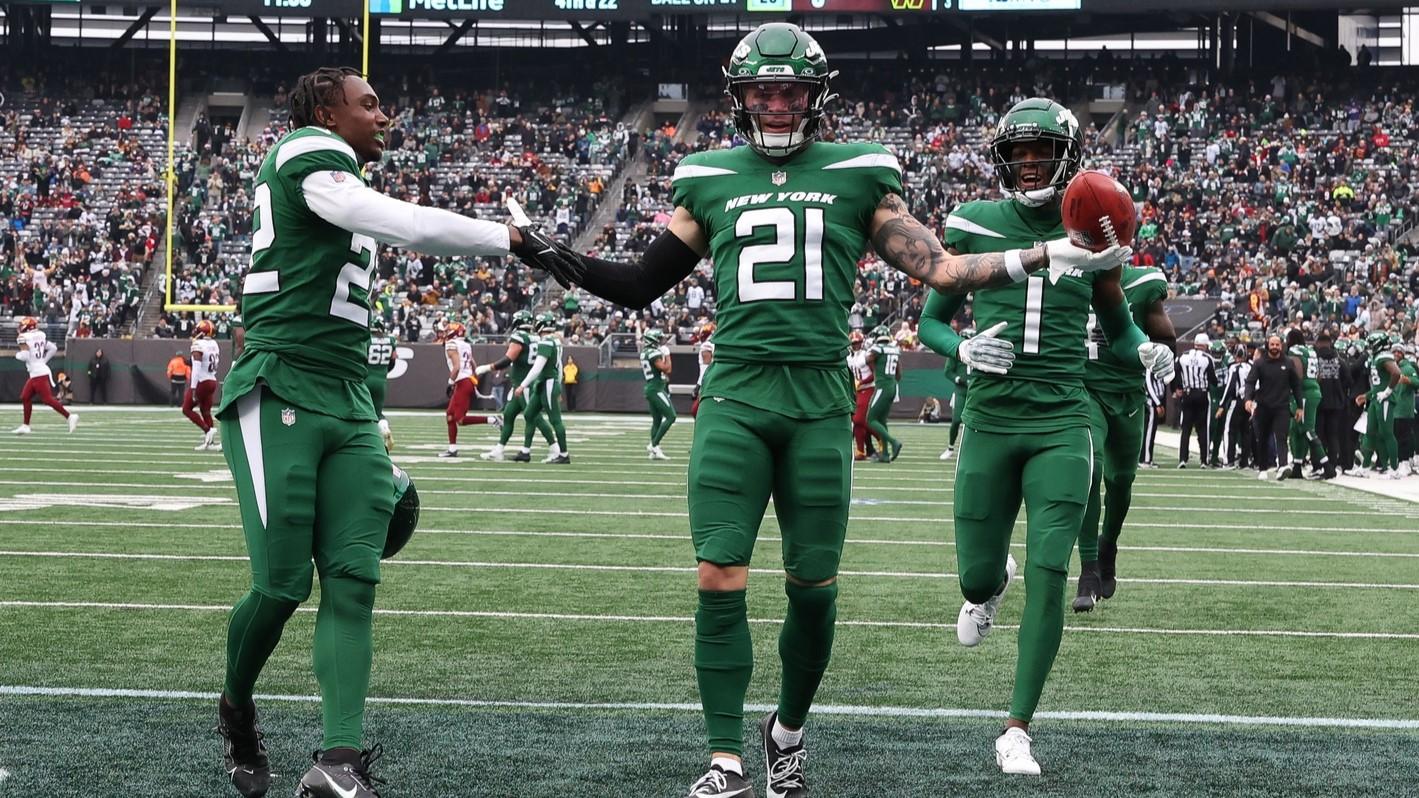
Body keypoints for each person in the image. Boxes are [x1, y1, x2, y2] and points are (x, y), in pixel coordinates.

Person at [510, 26, 1127, 797]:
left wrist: (1038, 255)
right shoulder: (705, 172)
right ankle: (722, 758)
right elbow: (640, 282)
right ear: (739, 98)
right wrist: (541, 251)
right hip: (735, 394)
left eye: (789, 90)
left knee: (813, 587)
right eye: (760, 91)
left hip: (816, 402)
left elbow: (937, 267)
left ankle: (788, 732)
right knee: (717, 572)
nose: (774, 104)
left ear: (814, 96)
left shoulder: (860, 170)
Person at [212, 65, 537, 798]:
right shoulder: (305, 151)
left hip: (348, 397)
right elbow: (406, 222)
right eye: (370, 104)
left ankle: (339, 760)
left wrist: (374, 408)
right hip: (280, 382)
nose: (384, 115)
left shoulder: (340, 180)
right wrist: (506, 239)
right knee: (283, 584)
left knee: (354, 582)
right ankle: (235, 705)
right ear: (326, 112)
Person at [917, 96, 1164, 776]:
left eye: (1041, 153)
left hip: (1061, 416)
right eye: (1017, 153)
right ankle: (989, 581)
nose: (1028, 165)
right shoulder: (971, 220)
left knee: (1051, 573)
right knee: (974, 572)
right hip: (990, 418)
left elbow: (1116, 328)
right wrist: (961, 350)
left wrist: (1144, 351)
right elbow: (929, 323)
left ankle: (1016, 728)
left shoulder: (1096, 229)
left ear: (1068, 158)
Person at [1074, 264, 1174, 611]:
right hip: (1085, 389)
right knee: (1090, 469)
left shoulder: (1144, 284)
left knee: (1121, 482)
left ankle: (1108, 545)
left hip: (1128, 394)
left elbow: (1166, 337)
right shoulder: (1067, 272)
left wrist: (1160, 352)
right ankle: (1087, 570)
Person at [475, 309, 557, 462]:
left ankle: (554, 447)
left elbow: (508, 359)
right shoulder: (535, 337)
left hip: (524, 385)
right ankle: (499, 450)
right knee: (509, 415)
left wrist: (488, 367)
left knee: (535, 418)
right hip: (523, 383)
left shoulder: (519, 337)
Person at [1245, 334, 1304, 480]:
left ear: (1281, 346)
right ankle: (1263, 468)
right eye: (1272, 344)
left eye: (1277, 345)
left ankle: (1282, 466)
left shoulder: (1288, 363)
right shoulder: (1259, 363)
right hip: (1263, 406)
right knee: (1263, 438)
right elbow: (1250, 382)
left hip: (1282, 406)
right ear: (1267, 345)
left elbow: (1296, 385)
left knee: (1281, 436)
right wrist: (1248, 399)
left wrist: (1300, 406)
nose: (1275, 347)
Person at [439, 321, 501, 458]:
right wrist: (473, 379)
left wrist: (450, 383)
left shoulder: (452, 344)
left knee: (459, 419)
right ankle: (452, 448)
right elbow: (473, 363)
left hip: (461, 382)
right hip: (466, 381)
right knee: (450, 415)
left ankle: (492, 419)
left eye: (448, 330)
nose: (445, 333)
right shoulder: (466, 344)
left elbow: (456, 367)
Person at [515, 312, 570, 464]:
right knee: (529, 414)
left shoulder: (547, 341)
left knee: (555, 420)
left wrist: (522, 385)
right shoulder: (556, 340)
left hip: (548, 383)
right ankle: (525, 452)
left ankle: (563, 454)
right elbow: (559, 366)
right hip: (545, 383)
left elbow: (537, 368)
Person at [12, 317, 77, 434]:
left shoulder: (23, 337)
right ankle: (26, 425)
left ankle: (69, 416)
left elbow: (25, 356)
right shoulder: (40, 335)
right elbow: (53, 348)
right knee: (25, 397)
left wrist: (17, 355)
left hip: (38, 374)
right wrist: (43, 361)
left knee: (47, 399)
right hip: (39, 371)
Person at [1355, 333, 1403, 478]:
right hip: (1377, 399)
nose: (1370, 347)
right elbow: (1378, 384)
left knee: (1387, 433)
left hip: (1385, 400)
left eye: (1372, 343)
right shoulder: (1376, 357)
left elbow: (1396, 373)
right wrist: (1367, 396)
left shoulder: (1384, 356)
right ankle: (1365, 467)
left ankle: (1394, 470)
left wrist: (1387, 392)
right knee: (1370, 433)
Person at [1285, 328, 1332, 478]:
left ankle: (1327, 466)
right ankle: (1297, 466)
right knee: (1297, 430)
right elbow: (1319, 376)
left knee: (1307, 430)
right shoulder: (1311, 351)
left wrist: (1292, 389)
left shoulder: (1294, 351)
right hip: (1312, 390)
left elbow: (1297, 373)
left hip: (1304, 393)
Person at [1172, 333, 1218, 468]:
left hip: (1187, 394)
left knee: (1185, 429)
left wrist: (1178, 388)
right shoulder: (1207, 358)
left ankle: (1182, 459)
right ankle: (1204, 460)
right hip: (1201, 394)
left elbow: (1174, 372)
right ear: (1204, 345)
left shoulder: (1182, 356)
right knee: (1202, 428)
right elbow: (1213, 379)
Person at [1312, 332, 1346, 480]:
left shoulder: (1315, 359)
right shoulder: (1338, 359)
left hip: (1318, 402)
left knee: (1317, 435)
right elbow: (1348, 379)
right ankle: (1331, 465)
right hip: (1336, 402)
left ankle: (1318, 466)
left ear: (1318, 343)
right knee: (1333, 436)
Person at [865, 324, 902, 462]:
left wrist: (875, 368)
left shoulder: (877, 349)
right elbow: (899, 374)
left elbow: (867, 359)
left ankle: (894, 442)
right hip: (892, 385)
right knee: (881, 420)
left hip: (882, 386)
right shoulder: (895, 349)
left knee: (870, 420)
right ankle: (885, 454)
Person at [185, 319, 222, 451]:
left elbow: (196, 368)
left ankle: (207, 430)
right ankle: (211, 443)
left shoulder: (198, 345)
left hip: (202, 381)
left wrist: (193, 388)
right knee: (205, 411)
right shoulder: (214, 343)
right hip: (212, 381)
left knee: (186, 409)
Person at [640, 328, 676, 460]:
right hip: (656, 389)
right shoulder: (654, 353)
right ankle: (654, 445)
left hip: (652, 387)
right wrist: (667, 355)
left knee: (657, 420)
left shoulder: (645, 352)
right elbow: (667, 369)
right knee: (671, 416)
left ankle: (654, 451)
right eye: (659, 338)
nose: (661, 341)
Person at [365, 316, 399, 452]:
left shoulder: (367, 338)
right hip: (381, 380)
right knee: (378, 413)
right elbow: (394, 358)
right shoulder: (390, 340)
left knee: (364, 411)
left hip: (365, 378)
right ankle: (385, 429)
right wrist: (384, 370)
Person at [1218, 344, 1255, 470]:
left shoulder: (1234, 367)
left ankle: (1228, 461)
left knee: (1229, 431)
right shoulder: (1251, 366)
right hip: (1250, 402)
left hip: (1237, 401)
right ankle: (1245, 461)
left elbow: (1230, 386)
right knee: (1246, 432)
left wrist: (1222, 404)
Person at [939, 329, 971, 461]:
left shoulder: (978, 351)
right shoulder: (955, 353)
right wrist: (958, 379)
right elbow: (948, 372)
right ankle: (950, 447)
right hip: (961, 390)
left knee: (975, 422)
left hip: (975, 390)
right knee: (957, 420)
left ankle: (971, 451)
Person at [847, 329, 877, 461]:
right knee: (859, 422)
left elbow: (874, 374)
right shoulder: (848, 357)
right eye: (853, 343)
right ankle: (861, 450)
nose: (855, 345)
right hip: (856, 391)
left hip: (868, 389)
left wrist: (861, 382)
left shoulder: (866, 355)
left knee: (859, 419)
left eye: (857, 342)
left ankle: (882, 439)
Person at [1140, 371, 1166, 467]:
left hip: (1156, 402)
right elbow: (1149, 385)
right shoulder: (1149, 368)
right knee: (1149, 432)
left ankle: (1148, 458)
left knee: (1152, 432)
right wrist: (1158, 403)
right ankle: (1145, 459)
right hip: (1151, 403)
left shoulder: (1157, 367)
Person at [691, 323, 715, 418]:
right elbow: (707, 365)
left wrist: (699, 384)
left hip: (708, 380)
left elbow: (707, 366)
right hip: (709, 380)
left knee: (697, 410)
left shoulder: (708, 345)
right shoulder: (709, 345)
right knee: (698, 410)